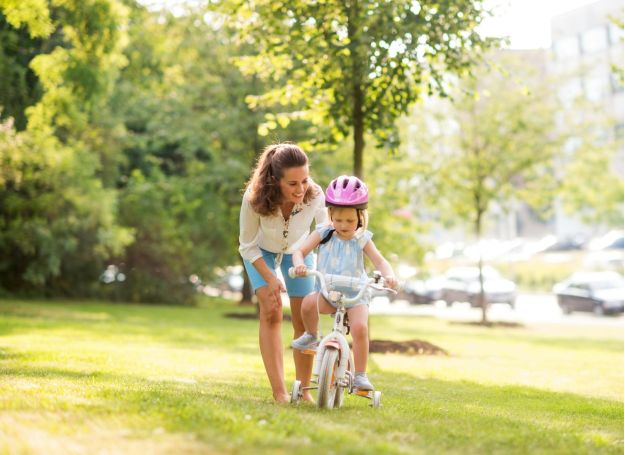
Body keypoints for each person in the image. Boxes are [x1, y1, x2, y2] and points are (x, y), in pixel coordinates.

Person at [290, 175, 398, 392]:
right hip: (329, 292)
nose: (343, 225)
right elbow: (300, 251)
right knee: (308, 304)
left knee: (359, 328)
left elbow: (380, 261)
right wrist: (300, 264)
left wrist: (389, 275)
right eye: (338, 220)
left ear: (360, 217)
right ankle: (312, 335)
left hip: (356, 296)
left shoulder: (362, 239)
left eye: (350, 220)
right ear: (330, 215)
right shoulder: (324, 233)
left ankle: (360, 375)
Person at [239, 142, 327, 403]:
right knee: (271, 310)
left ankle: (303, 392)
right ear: (275, 181)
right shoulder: (253, 198)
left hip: (299, 252)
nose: (301, 189)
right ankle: (279, 393)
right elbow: (247, 245)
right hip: (260, 253)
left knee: (305, 317)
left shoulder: (315, 194)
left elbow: (325, 230)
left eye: (305, 180)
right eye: (292, 184)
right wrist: (270, 277)